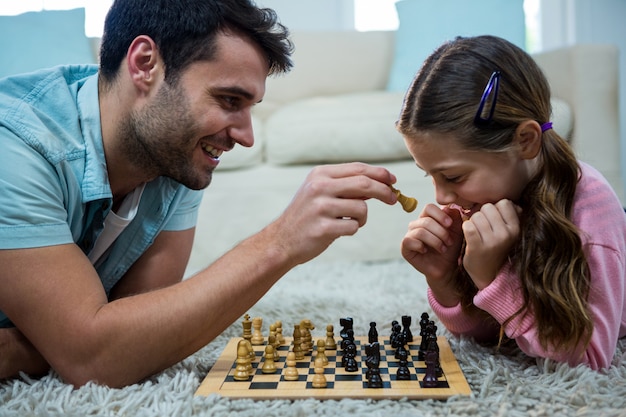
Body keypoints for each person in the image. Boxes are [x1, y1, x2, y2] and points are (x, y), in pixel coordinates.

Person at [0, 0, 402, 388]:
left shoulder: (172, 152)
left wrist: (52, 345)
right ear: (145, 65)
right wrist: (280, 242)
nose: (245, 136)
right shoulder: (16, 148)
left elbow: (141, 340)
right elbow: (97, 359)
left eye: (250, 107)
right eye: (229, 100)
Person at [396, 35, 626, 370]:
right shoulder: (489, 204)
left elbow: (588, 358)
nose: (441, 197)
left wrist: (492, 278)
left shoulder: (590, 215)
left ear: (526, 141)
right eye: (428, 175)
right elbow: (485, 334)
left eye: (454, 177)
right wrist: (444, 280)